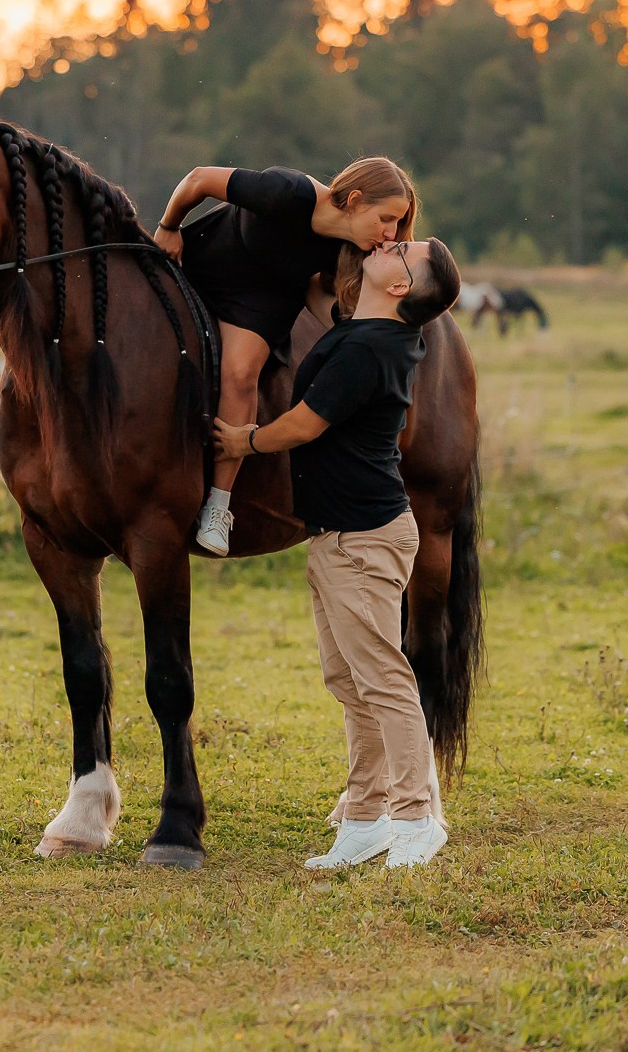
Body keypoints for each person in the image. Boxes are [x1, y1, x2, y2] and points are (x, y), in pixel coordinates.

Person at [213, 237, 462, 869]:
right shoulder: (361, 328)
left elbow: (304, 423)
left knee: (382, 677)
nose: (391, 244)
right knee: (349, 680)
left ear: (402, 286)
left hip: (364, 539)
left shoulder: (374, 348)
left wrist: (245, 439)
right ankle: (363, 815)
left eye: (403, 250)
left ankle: (414, 818)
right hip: (336, 536)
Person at [153, 158, 416, 556]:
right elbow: (200, 179)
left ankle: (217, 506)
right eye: (386, 218)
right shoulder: (288, 192)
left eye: (396, 223)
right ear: (357, 199)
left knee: (241, 374)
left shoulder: (349, 249)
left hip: (262, 302)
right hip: (208, 259)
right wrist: (168, 227)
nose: (390, 232)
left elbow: (322, 293)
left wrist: (368, 334)